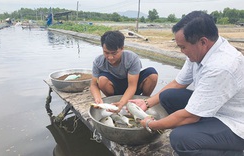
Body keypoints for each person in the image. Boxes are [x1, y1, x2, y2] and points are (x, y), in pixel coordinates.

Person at [129, 11, 244, 155]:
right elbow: (177, 83)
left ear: (203, 42)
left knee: (180, 139)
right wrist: (146, 103)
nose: (182, 51)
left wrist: (151, 124)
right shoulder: (200, 52)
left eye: (183, 47)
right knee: (168, 96)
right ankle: (201, 133)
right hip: (213, 110)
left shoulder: (221, 66)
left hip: (235, 123)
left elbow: (190, 115)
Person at [90, 30, 158, 110]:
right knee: (102, 80)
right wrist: (97, 98)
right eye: (106, 53)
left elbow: (132, 86)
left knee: (152, 74)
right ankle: (113, 101)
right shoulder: (98, 61)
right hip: (115, 87)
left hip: (133, 85)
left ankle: (144, 100)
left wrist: (122, 103)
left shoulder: (132, 58)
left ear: (122, 48)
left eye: (114, 53)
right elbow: (94, 85)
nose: (110, 57)